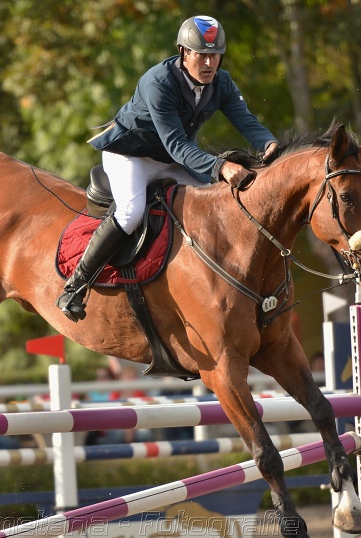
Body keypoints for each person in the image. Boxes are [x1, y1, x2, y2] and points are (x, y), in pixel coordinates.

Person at [57, 15, 279, 322]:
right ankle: (76, 286)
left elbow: (246, 121)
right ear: (184, 52)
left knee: (214, 200)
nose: (209, 63)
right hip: (129, 156)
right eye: (201, 54)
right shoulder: (158, 82)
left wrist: (269, 145)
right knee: (131, 212)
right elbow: (176, 144)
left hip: (170, 160)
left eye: (215, 56)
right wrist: (220, 166)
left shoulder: (222, 83)